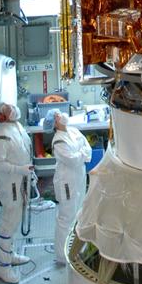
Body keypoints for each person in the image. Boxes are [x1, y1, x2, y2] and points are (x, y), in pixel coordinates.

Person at [0, 103, 33, 284]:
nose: (13, 109)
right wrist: (19, 169)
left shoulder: (17, 127)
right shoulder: (1, 137)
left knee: (15, 221)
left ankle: (11, 254)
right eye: (7, 109)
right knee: (8, 223)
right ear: (1, 117)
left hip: (22, 180)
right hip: (11, 184)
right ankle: (3, 267)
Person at [51, 111, 92, 262]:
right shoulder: (58, 141)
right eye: (56, 116)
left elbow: (88, 149)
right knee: (66, 216)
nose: (60, 115)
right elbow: (72, 160)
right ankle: (62, 255)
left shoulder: (73, 130)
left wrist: (81, 153)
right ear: (54, 123)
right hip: (66, 181)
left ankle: (75, 247)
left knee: (79, 211)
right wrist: (82, 154)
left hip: (79, 176)